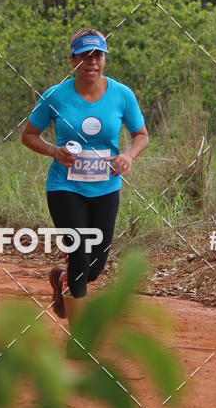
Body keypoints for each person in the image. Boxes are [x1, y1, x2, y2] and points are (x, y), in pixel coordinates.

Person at [21, 28, 149, 334]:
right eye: (84, 55)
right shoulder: (55, 95)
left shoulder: (122, 95)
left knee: (94, 267)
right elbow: (28, 135)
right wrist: (54, 150)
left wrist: (128, 156)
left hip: (106, 188)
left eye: (98, 55)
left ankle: (61, 281)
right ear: (73, 59)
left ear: (104, 59)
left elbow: (141, 135)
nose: (92, 61)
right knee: (78, 253)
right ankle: (78, 340)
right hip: (65, 187)